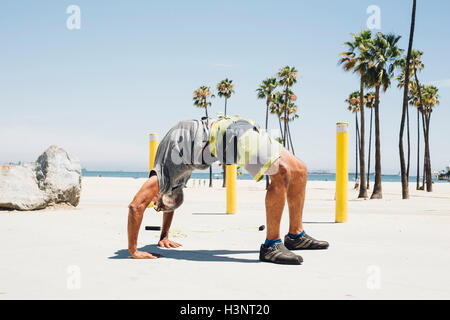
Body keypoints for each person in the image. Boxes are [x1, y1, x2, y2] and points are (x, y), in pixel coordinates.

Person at [127, 116, 329, 265]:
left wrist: (133, 250)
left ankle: (295, 235)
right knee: (282, 171)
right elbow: (167, 204)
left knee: (299, 169)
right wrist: (163, 236)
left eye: (156, 204)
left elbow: (136, 206)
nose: (156, 205)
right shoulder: (171, 180)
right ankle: (272, 245)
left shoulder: (160, 176)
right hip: (227, 131)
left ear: (159, 194)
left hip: (226, 129)